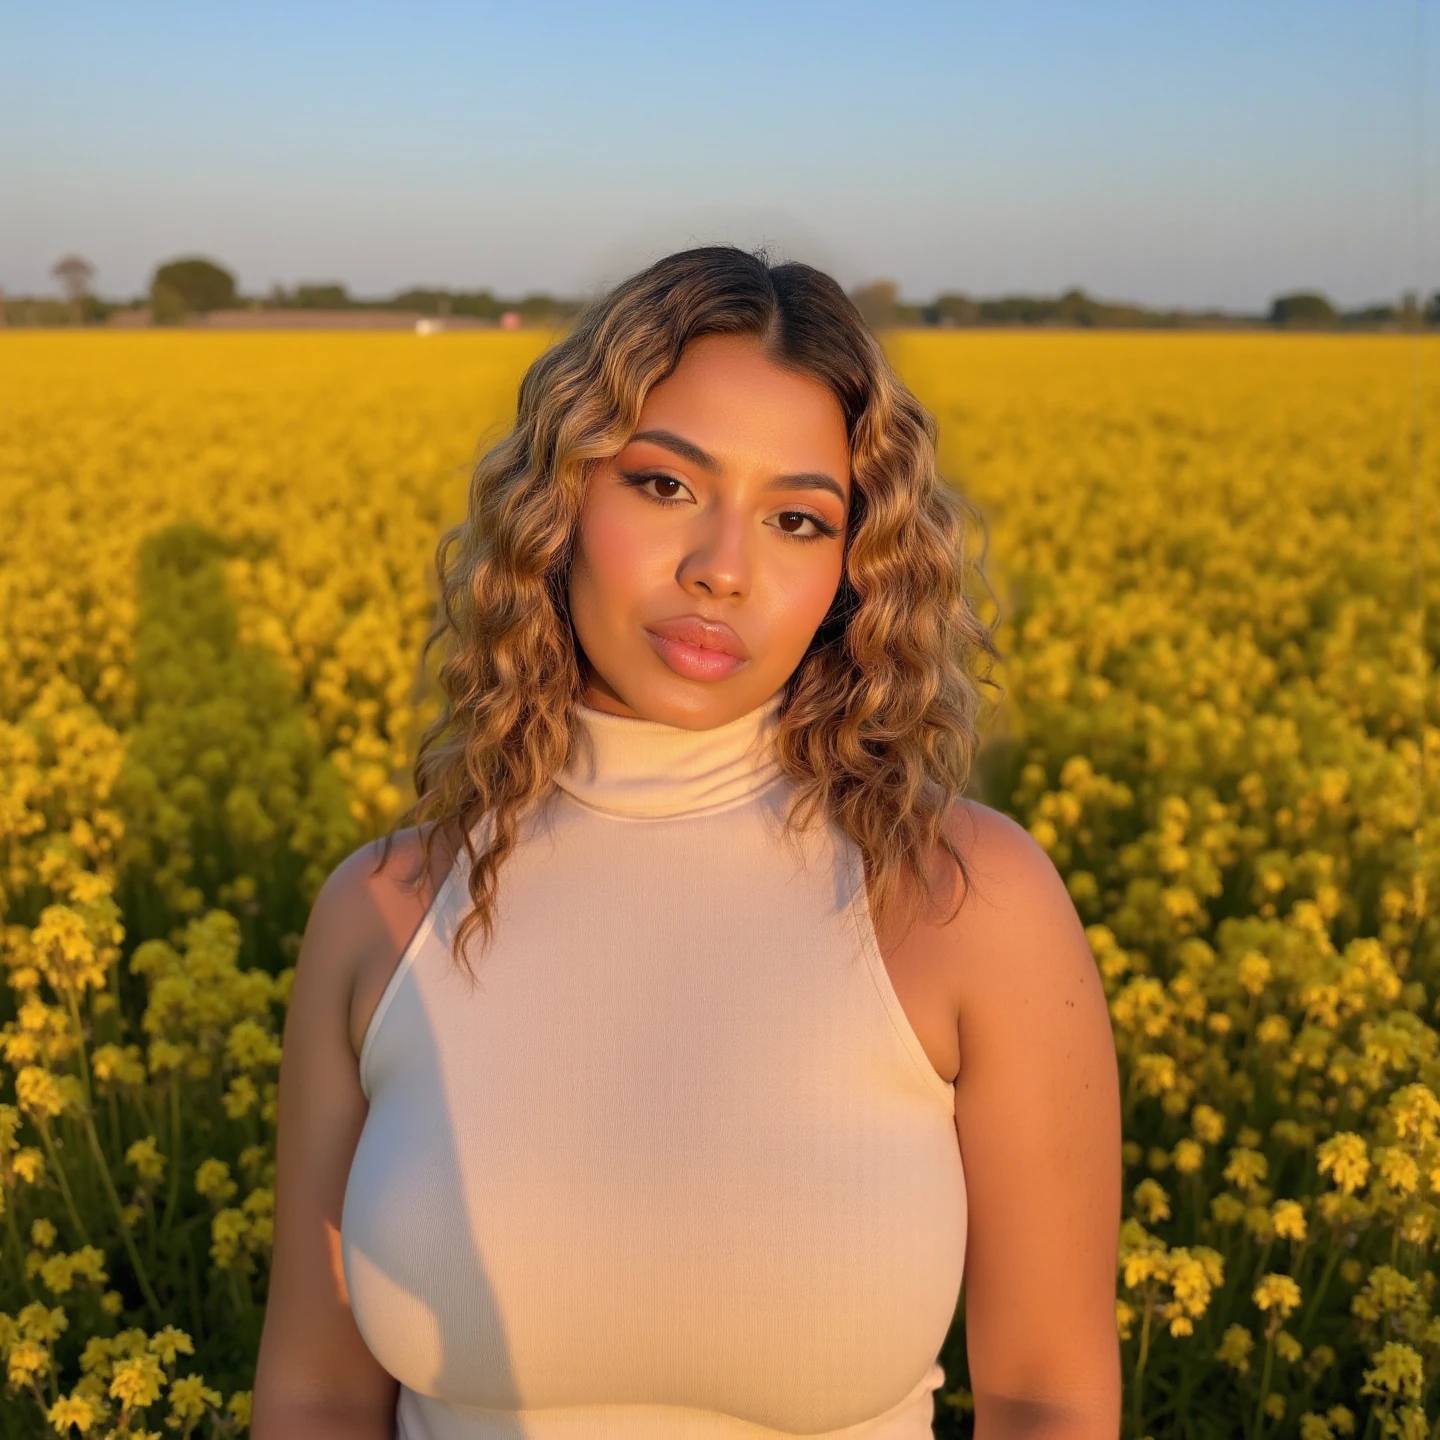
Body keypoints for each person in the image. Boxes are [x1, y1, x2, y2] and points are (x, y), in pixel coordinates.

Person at [251, 245, 1123, 1440]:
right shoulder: (384, 911)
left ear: (851, 573)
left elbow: (1045, 1393)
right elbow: (316, 1393)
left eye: (798, 519)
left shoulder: (963, 900)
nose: (723, 569)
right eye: (664, 485)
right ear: (560, 504)